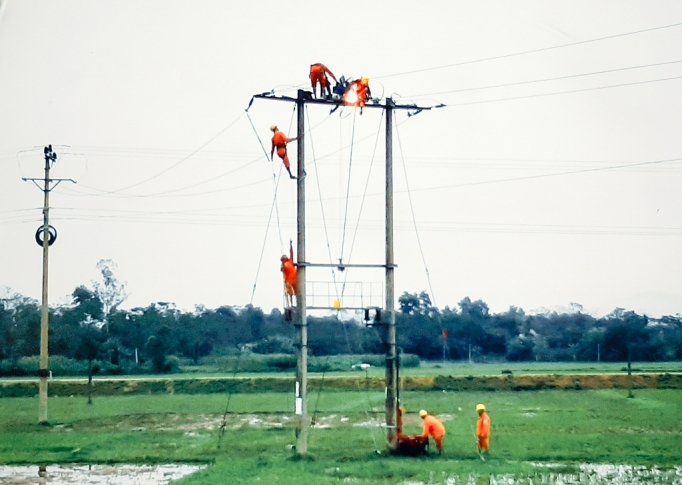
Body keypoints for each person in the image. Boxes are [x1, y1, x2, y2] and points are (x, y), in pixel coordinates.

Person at [280, 240, 297, 307]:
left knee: (297, 292)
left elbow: (291, 253)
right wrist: (282, 265)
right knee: (290, 293)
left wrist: (291, 246)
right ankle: (291, 304)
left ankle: (297, 303)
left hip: (294, 279)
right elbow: (281, 270)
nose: (284, 259)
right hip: (289, 281)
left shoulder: (290, 261)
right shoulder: (284, 265)